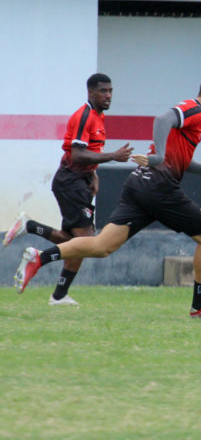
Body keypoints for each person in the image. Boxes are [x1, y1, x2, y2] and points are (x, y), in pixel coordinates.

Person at [15, 72, 201, 318]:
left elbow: (184, 161)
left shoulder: (194, 121)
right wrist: (159, 157)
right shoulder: (194, 110)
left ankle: (39, 258)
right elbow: (163, 119)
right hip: (159, 188)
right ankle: (200, 305)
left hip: (139, 184)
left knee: (102, 246)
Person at [4, 73, 132, 306]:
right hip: (71, 181)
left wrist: (93, 174)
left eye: (111, 91)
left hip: (79, 180)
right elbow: (77, 153)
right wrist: (113, 156)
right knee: (87, 242)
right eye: (103, 91)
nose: (108, 95)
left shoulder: (98, 117)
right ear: (90, 92)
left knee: (77, 243)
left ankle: (59, 293)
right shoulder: (85, 116)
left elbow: (88, 152)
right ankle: (39, 257)